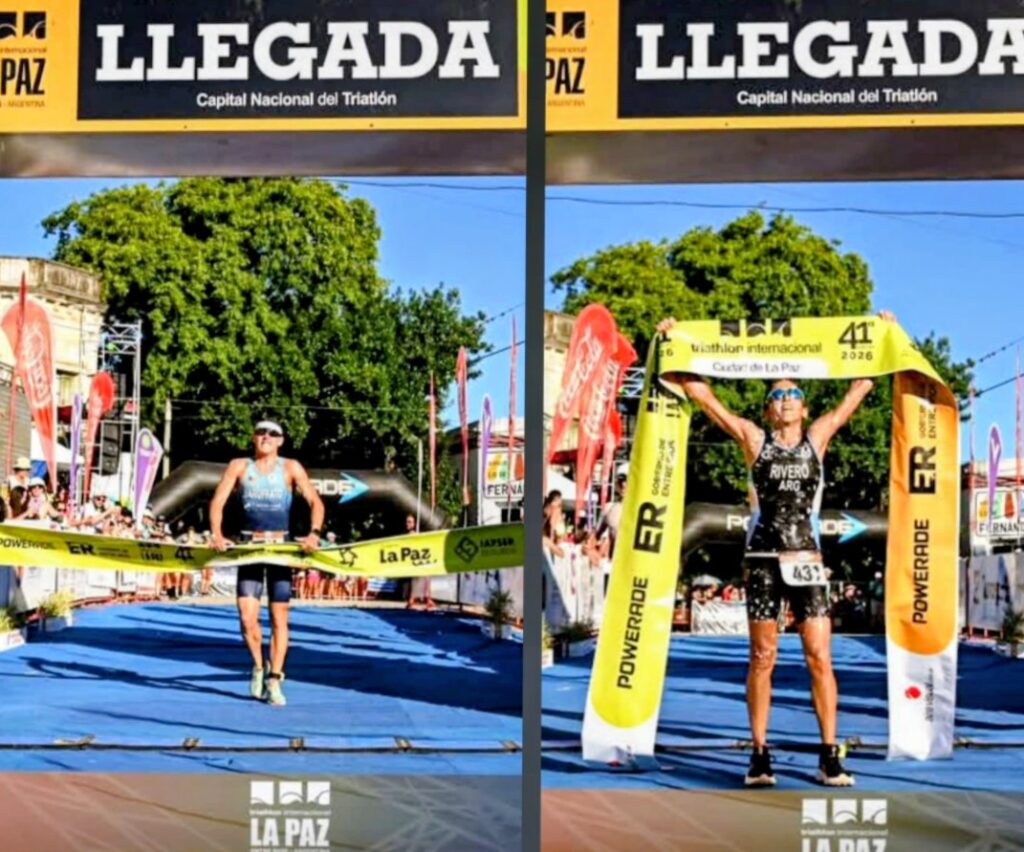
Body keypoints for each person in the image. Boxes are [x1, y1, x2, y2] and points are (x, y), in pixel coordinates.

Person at [658, 310, 896, 788]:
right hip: (764, 559)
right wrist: (673, 342)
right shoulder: (754, 439)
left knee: (819, 656)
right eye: (776, 396)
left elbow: (859, 389)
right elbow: (705, 397)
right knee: (762, 656)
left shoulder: (817, 439)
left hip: (806, 558)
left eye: (793, 394)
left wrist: (882, 332)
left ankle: (829, 755)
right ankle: (760, 754)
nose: (785, 400)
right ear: (768, 410)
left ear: (804, 407)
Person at [209, 420, 324, 707]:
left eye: (273, 434)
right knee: (246, 617)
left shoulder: (290, 467)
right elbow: (218, 501)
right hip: (250, 546)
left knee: (278, 617)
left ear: (281, 441)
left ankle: (274, 679)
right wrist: (217, 534)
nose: (266, 437)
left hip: (280, 548)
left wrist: (314, 533)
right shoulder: (239, 466)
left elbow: (316, 502)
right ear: (253, 437)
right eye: (261, 432)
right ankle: (259, 666)